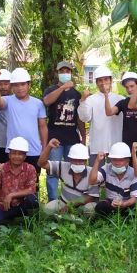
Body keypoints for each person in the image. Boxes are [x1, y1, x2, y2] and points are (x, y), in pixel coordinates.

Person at [0, 67, 48, 185]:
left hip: (33, 151)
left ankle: (32, 204)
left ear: (29, 85)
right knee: (10, 183)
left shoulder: (38, 103)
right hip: (13, 152)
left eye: (23, 84)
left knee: (32, 184)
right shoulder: (8, 101)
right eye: (16, 85)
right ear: (12, 87)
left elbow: (42, 126)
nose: (20, 88)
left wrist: (44, 147)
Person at [43, 61, 86, 202]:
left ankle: (70, 202)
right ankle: (53, 202)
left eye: (68, 71)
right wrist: (62, 88)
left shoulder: (77, 94)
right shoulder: (51, 90)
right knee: (52, 172)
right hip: (55, 139)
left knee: (73, 171)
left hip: (72, 139)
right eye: (62, 71)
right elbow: (47, 102)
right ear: (57, 73)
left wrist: (83, 138)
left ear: (71, 73)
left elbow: (79, 118)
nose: (65, 73)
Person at [0, 137, 39, 225]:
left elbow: (31, 189)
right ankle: (8, 220)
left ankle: (32, 223)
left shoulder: (30, 169)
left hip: (22, 205)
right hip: (4, 205)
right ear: (9, 155)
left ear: (25, 156)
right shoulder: (1, 168)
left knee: (32, 199)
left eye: (20, 154)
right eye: (14, 153)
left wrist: (11, 195)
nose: (17, 156)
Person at [39, 139, 99, 215]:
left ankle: (85, 223)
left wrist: (71, 205)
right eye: (75, 160)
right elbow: (42, 164)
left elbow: (91, 197)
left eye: (81, 160)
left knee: (91, 209)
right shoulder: (63, 167)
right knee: (49, 208)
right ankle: (60, 220)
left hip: (82, 206)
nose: (77, 163)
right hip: (63, 202)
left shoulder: (92, 173)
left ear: (86, 160)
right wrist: (49, 147)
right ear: (70, 159)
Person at [78, 66, 124, 163]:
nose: (103, 83)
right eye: (100, 80)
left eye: (106, 79)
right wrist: (83, 100)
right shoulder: (91, 99)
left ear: (111, 80)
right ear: (96, 83)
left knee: (114, 176)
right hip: (97, 146)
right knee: (96, 176)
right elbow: (85, 118)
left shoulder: (120, 99)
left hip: (116, 145)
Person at [88, 142, 137, 216]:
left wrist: (123, 204)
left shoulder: (134, 173)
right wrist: (97, 161)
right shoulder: (106, 169)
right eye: (114, 159)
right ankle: (105, 222)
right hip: (110, 202)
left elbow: (134, 198)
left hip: (126, 203)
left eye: (121, 160)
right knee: (100, 207)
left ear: (127, 161)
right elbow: (92, 181)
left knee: (132, 210)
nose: (117, 163)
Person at [105, 71, 137, 160]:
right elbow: (109, 112)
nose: (129, 90)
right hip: (128, 146)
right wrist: (106, 95)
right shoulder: (123, 103)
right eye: (127, 87)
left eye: (132, 86)